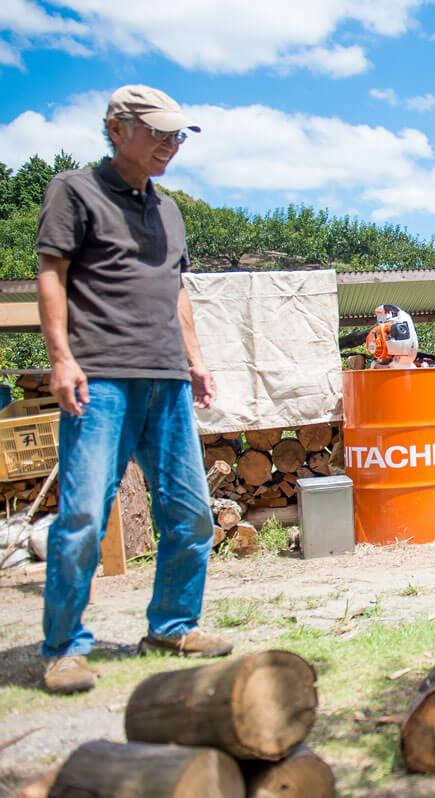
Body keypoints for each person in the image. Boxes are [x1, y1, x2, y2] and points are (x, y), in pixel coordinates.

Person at [35, 85, 232, 695]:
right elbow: (51, 275)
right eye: (159, 133)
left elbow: (176, 290)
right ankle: (64, 649)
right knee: (85, 517)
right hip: (101, 380)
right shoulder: (74, 192)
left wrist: (196, 361)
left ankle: (171, 626)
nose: (171, 146)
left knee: (191, 514)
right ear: (117, 129)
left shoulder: (168, 209)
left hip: (167, 381)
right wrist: (61, 358)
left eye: (178, 136)